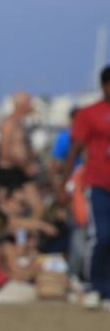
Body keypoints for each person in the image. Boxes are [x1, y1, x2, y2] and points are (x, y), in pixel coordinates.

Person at [58, 66, 110, 309]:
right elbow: (74, 151)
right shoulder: (89, 114)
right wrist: (63, 185)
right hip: (98, 184)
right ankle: (96, 286)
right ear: (104, 85)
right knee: (101, 236)